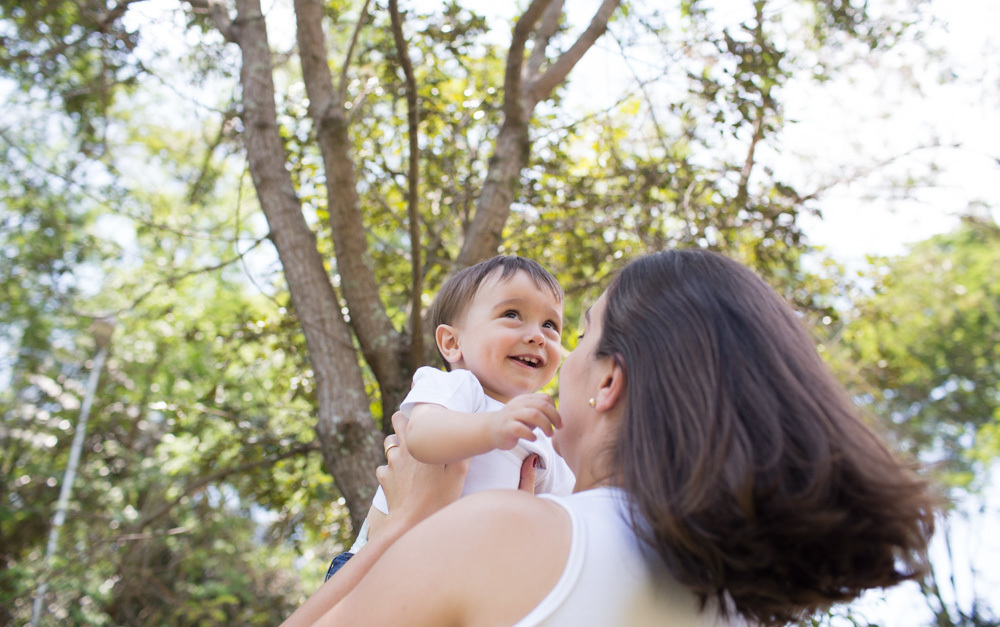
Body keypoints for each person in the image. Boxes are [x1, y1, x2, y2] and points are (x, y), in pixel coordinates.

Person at [286, 249, 937, 626]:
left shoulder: (509, 532)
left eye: (577, 331)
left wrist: (404, 526)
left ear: (608, 382)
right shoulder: (735, 601)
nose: (553, 350)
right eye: (516, 316)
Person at [324, 255, 575, 579]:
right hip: (377, 568)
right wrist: (493, 427)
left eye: (550, 325)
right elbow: (421, 436)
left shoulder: (541, 431)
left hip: (458, 584)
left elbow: (563, 513)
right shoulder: (457, 386)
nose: (537, 336)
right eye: (512, 314)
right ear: (452, 343)